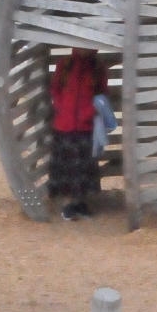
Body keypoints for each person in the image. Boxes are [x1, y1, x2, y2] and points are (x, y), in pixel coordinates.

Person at [49, 47, 108, 220]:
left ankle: (80, 202)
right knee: (66, 166)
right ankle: (68, 204)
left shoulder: (98, 68)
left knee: (84, 166)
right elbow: (55, 89)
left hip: (86, 126)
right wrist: (61, 108)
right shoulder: (64, 64)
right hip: (64, 125)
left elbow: (102, 95)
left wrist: (90, 112)